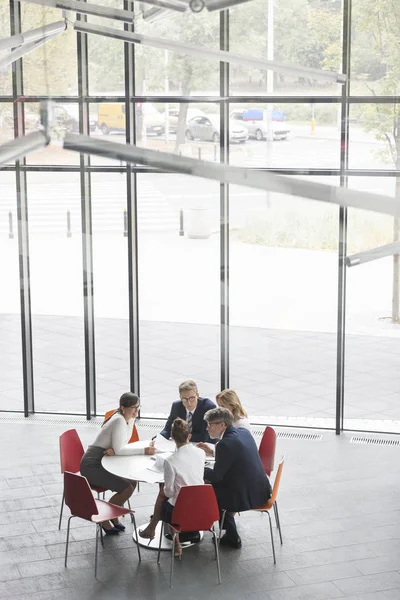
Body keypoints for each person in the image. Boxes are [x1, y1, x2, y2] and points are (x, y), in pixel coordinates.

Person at [80, 392, 155, 535]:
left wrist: (116, 449)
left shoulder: (125, 418)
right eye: (133, 408)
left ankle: (113, 516)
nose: (136, 411)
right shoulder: (119, 420)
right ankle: (105, 519)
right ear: (122, 407)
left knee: (132, 482)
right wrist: (144, 450)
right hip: (92, 464)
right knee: (126, 488)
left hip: (102, 459)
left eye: (138, 407)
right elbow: (121, 449)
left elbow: (122, 444)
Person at [201, 407, 272, 549]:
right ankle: (230, 532)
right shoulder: (243, 433)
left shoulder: (225, 444)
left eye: (210, 425)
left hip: (246, 495)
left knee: (210, 488)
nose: (207, 428)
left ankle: (231, 535)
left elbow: (216, 476)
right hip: (261, 489)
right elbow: (233, 456)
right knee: (220, 485)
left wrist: (199, 468)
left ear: (222, 425)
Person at [139, 418, 205, 556]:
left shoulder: (171, 461)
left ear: (172, 437)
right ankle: (153, 529)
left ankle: (173, 541)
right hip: (202, 503)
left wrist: (167, 489)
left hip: (180, 508)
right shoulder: (201, 453)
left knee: (163, 496)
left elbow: (169, 492)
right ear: (189, 436)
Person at [197, 389, 251, 457]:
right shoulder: (229, 420)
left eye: (222, 406)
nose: (220, 409)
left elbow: (234, 453)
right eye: (219, 406)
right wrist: (212, 452)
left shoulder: (241, 425)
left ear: (233, 405)